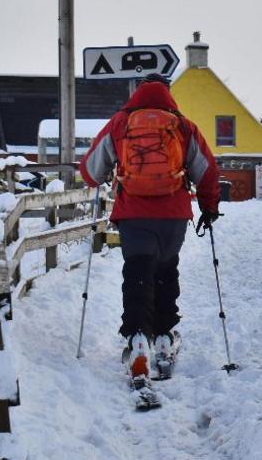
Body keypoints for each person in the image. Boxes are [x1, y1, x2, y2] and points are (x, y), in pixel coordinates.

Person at [80, 74, 221, 382]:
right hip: (173, 216)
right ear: (168, 94)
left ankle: (137, 339)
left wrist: (106, 175)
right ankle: (163, 337)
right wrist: (209, 207)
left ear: (137, 92)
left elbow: (90, 171)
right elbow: (207, 172)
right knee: (166, 272)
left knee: (137, 273)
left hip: (133, 216)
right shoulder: (183, 126)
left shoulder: (120, 123)